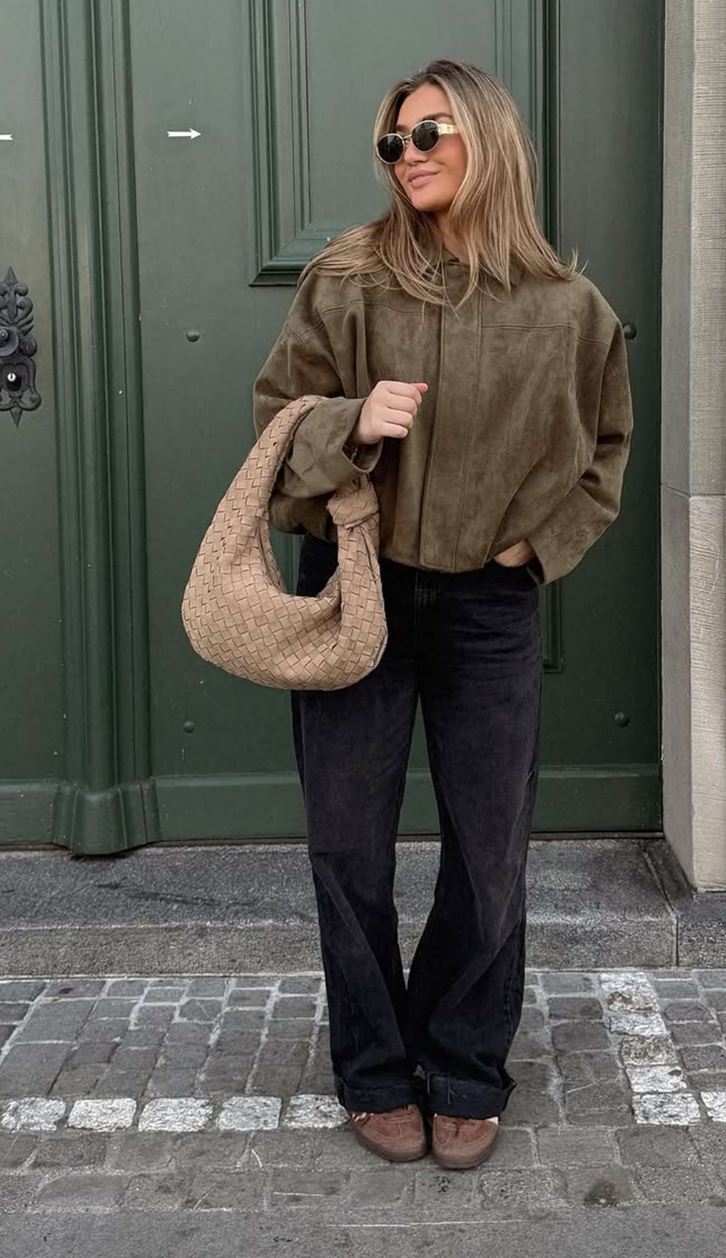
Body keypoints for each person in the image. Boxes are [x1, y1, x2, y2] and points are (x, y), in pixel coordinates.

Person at [252, 58, 633, 1170]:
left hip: (487, 606)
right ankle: (375, 1069)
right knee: (347, 848)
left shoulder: (570, 310)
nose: (407, 157)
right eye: (392, 143)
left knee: (490, 853)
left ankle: (464, 1064)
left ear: (488, 139)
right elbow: (276, 424)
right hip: (355, 584)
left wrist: (532, 547)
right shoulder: (348, 281)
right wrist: (350, 423)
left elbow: (605, 453)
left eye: (428, 134)